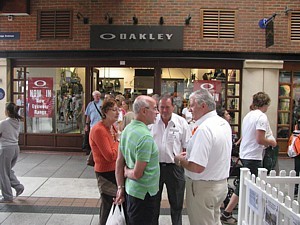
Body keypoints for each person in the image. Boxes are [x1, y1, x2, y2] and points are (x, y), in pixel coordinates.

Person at [174, 89, 232, 225]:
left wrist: (181, 161)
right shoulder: (222, 123)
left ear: (203, 105)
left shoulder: (204, 129)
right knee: (214, 221)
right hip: (220, 185)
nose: (189, 109)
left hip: (203, 188)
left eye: (192, 105)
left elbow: (197, 167)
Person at [221, 92, 277, 224]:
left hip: (246, 153)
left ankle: (229, 212)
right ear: (265, 104)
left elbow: (246, 136)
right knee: (248, 186)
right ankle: (228, 212)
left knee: (244, 184)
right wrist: (272, 142)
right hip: (254, 156)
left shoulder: (248, 116)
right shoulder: (261, 117)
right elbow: (260, 139)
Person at [114, 95, 160, 225]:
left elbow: (119, 161)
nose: (157, 112)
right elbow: (137, 174)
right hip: (144, 196)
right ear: (144, 111)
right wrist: (127, 172)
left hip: (132, 191)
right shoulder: (145, 137)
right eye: (154, 108)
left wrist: (120, 187)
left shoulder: (127, 129)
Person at [150, 95, 191, 225]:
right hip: (155, 168)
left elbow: (187, 146)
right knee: (153, 203)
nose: (164, 110)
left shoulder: (181, 123)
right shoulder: (152, 122)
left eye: (167, 107)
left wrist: (183, 159)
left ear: (173, 107)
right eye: (161, 107)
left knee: (177, 203)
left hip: (175, 168)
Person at [89, 99, 120, 225]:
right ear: (106, 112)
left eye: (118, 109)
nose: (118, 112)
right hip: (105, 173)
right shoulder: (99, 130)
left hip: (114, 171)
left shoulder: (112, 127)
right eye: (114, 110)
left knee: (113, 204)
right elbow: (110, 155)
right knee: (108, 204)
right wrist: (118, 141)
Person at [0, 102, 25, 202]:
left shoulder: (4, 123)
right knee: (7, 170)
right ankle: (18, 187)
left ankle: (7, 196)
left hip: (6, 149)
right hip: (15, 148)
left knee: (3, 173)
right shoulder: (17, 121)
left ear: (8, 111)